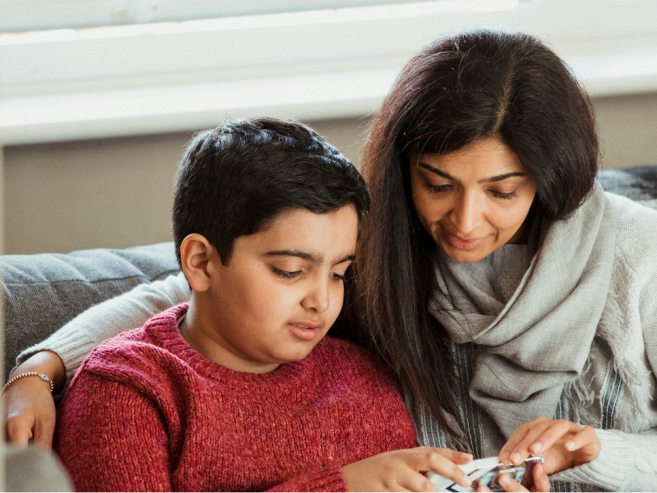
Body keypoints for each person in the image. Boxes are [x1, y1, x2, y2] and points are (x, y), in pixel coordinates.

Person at [5, 28, 642, 490]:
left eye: (503, 191)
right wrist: (41, 369)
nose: (465, 222)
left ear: (549, 179)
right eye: (437, 183)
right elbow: (180, 296)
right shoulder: (385, 249)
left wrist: (598, 450)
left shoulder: (641, 260)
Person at [11, 117, 488, 492]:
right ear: (200, 262)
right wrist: (339, 487)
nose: (321, 300)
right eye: (289, 270)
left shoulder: (362, 381)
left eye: (339, 273)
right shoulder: (129, 392)